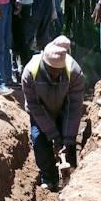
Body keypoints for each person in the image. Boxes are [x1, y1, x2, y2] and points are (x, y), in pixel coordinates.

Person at [22, 37, 84, 191]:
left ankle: (72, 179)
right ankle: (49, 178)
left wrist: (67, 139)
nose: (56, 73)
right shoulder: (30, 73)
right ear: (45, 63)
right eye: (52, 70)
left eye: (59, 70)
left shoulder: (74, 72)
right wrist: (55, 137)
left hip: (63, 109)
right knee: (39, 141)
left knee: (68, 141)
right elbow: (36, 107)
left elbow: (74, 107)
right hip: (40, 111)